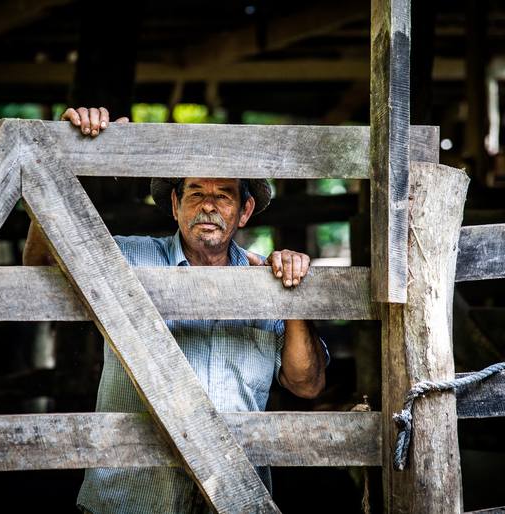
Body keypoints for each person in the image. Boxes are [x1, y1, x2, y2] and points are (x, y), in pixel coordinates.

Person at [23, 107, 328, 514]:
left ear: (245, 210)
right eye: (196, 192)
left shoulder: (266, 278)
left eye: (223, 194)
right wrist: (68, 154)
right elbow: (41, 264)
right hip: (125, 502)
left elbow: (306, 385)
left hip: (233, 501)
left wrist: (292, 297)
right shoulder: (129, 257)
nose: (208, 206)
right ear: (174, 203)